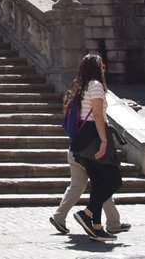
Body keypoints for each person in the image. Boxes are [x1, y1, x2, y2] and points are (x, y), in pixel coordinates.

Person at [51, 64, 128, 237]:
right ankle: (97, 219)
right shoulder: (95, 86)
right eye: (102, 65)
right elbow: (98, 115)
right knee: (109, 180)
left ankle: (93, 224)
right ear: (96, 68)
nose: (104, 68)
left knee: (85, 185)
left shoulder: (80, 87)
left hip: (78, 145)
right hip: (91, 144)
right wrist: (104, 140)